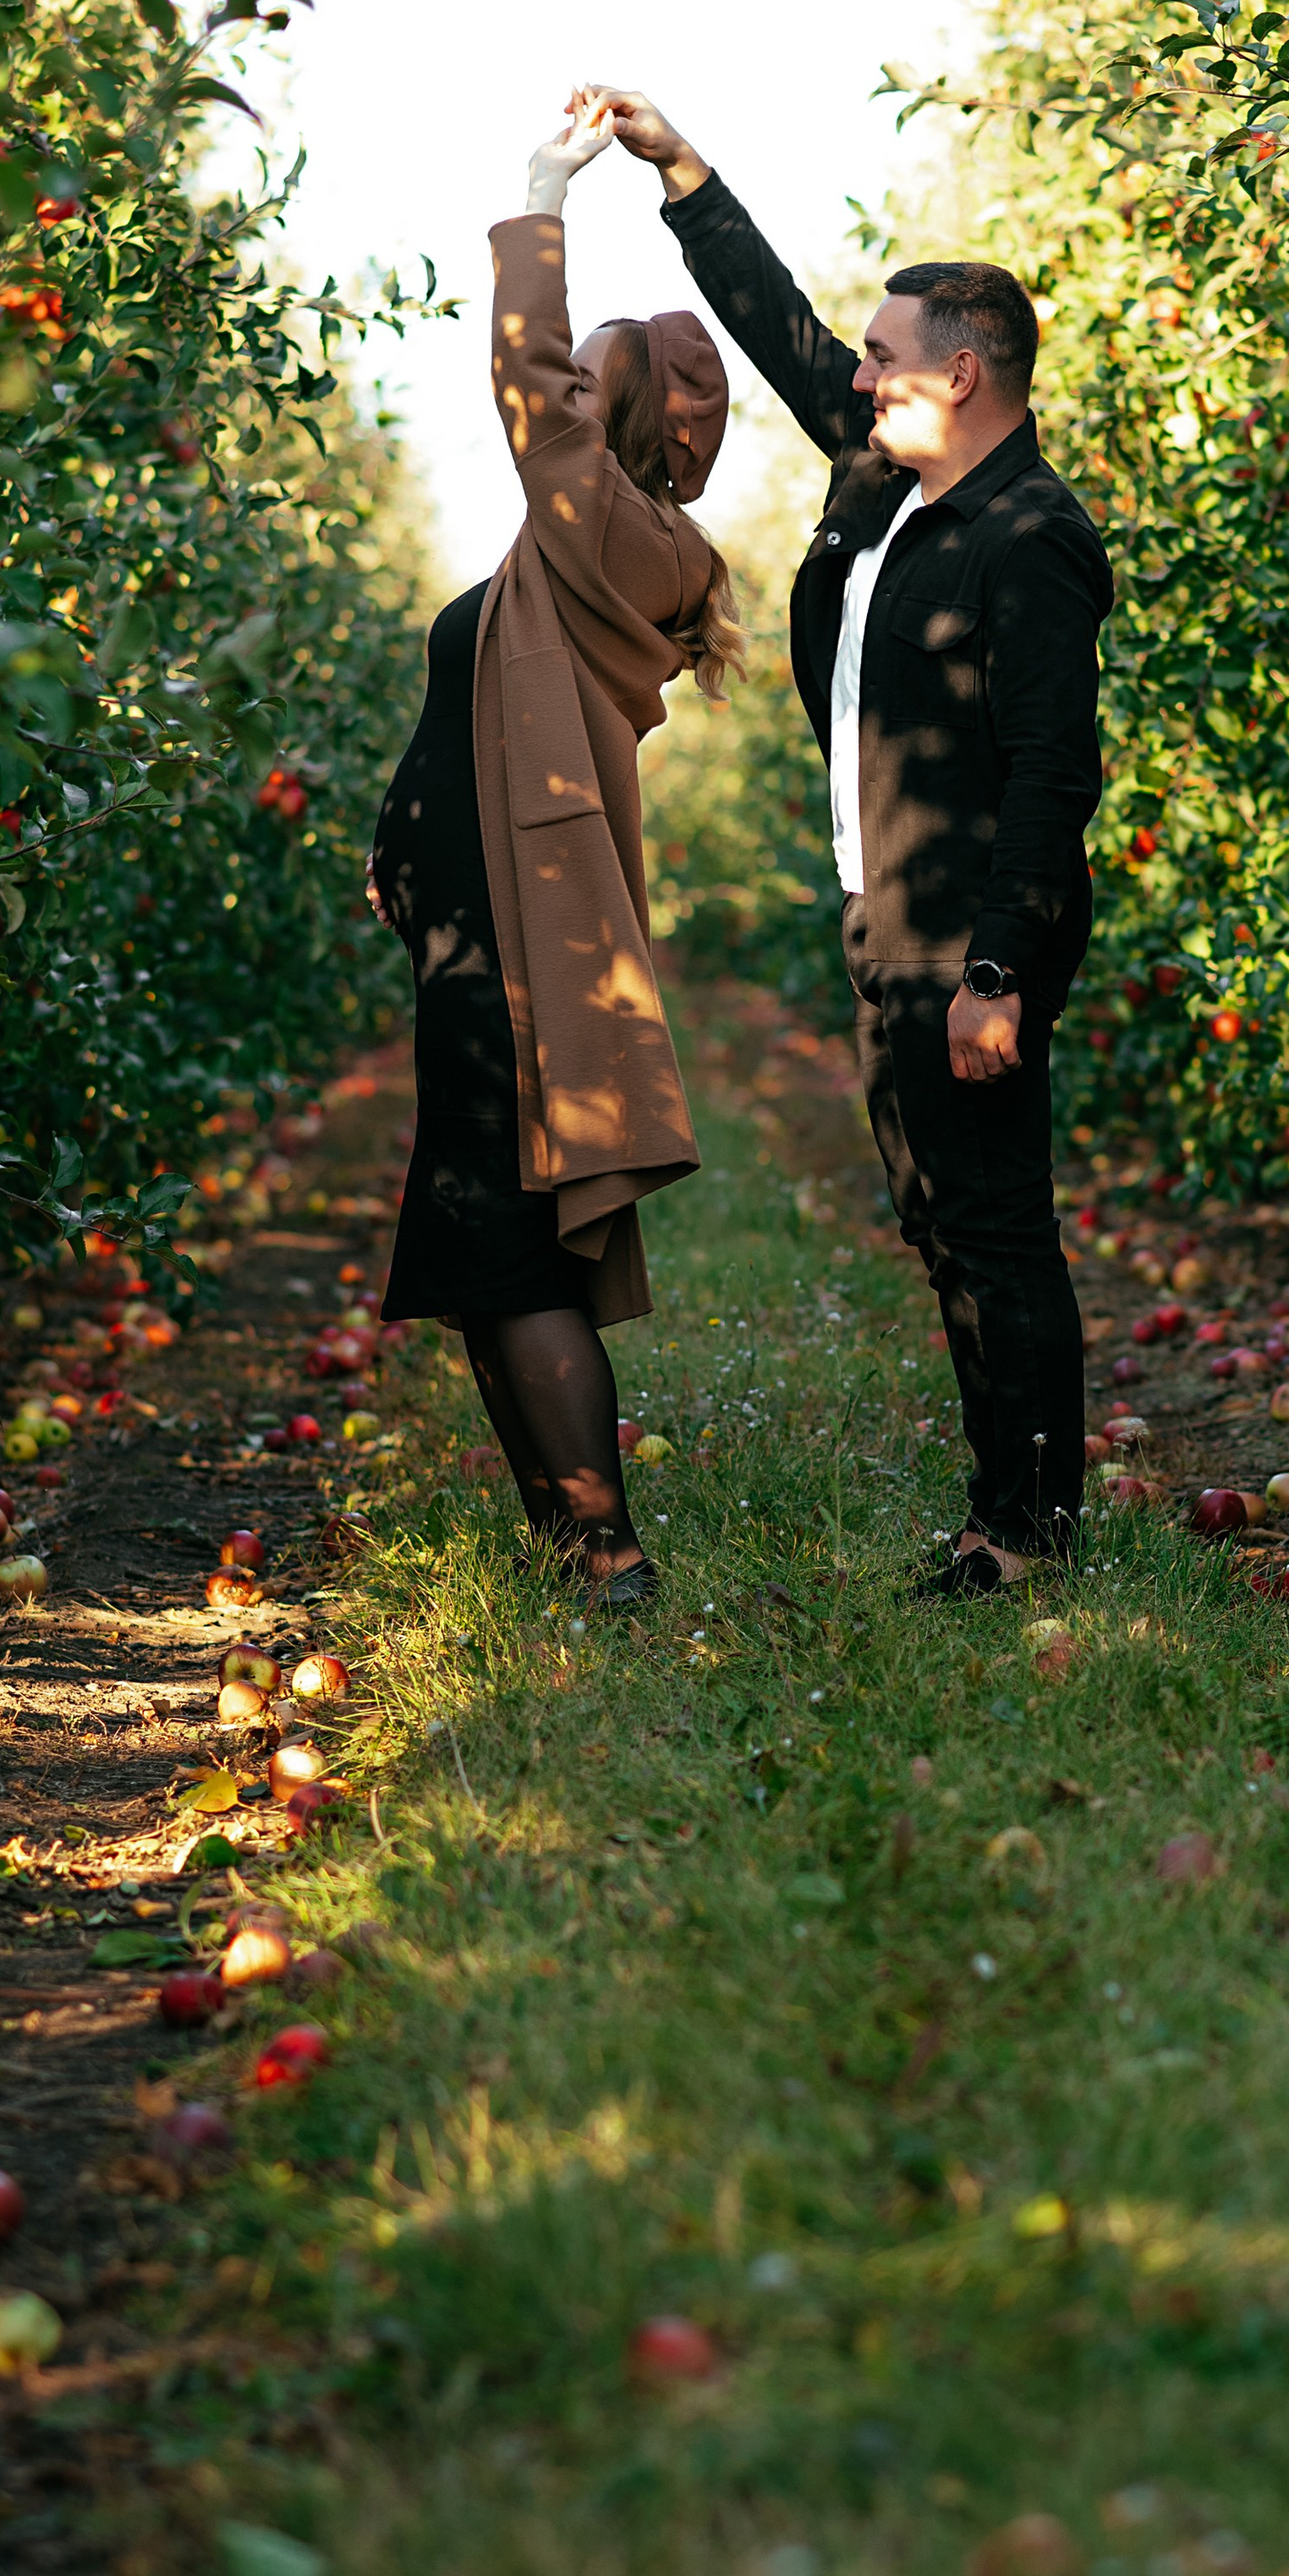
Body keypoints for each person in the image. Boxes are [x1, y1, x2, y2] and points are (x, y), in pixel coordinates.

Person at [589, 86, 1112, 1597]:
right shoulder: (888, 476)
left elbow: (1054, 773)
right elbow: (780, 331)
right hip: (887, 915)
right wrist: (684, 174)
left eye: (886, 356)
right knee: (940, 1223)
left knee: (994, 1227)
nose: (860, 373)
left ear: (963, 374)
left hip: (972, 930)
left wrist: (998, 971)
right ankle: (1002, 1504)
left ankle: (1028, 1530)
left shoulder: (1031, 539)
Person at [368, 105, 742, 1610]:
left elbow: (529, 381)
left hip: (514, 944)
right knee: (487, 1245)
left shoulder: (610, 532)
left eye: (591, 384)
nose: (565, 395)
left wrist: (543, 196)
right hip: (476, 926)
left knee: (515, 1248)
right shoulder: (576, 549)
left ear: (621, 421)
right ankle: (562, 1540)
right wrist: (402, 844)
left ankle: (610, 1551)